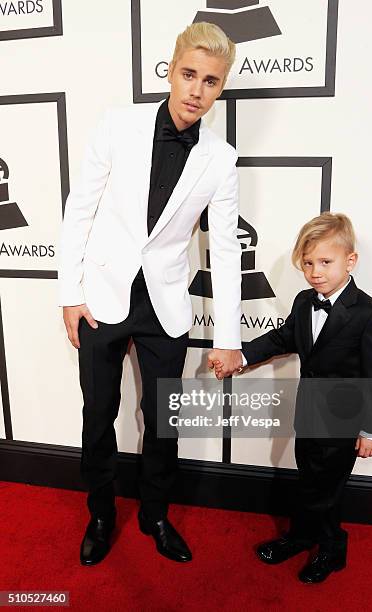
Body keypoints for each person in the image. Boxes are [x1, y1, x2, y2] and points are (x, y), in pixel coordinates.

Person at [58, 22, 243, 566]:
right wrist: (70, 292)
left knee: (164, 419)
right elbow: (80, 210)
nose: (196, 91)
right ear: (170, 69)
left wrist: (229, 338)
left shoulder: (221, 158)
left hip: (166, 304)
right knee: (99, 413)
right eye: (189, 74)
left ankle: (156, 514)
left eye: (210, 81)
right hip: (102, 296)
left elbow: (226, 251)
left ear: (220, 88)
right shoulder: (118, 124)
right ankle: (100, 512)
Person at [213, 212, 372, 583]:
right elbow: (282, 339)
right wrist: (241, 356)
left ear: (350, 261)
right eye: (308, 263)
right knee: (310, 480)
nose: (315, 271)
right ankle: (302, 536)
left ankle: (332, 549)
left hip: (344, 422)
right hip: (308, 415)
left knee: (325, 490)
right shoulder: (302, 302)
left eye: (326, 262)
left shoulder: (370, 315)